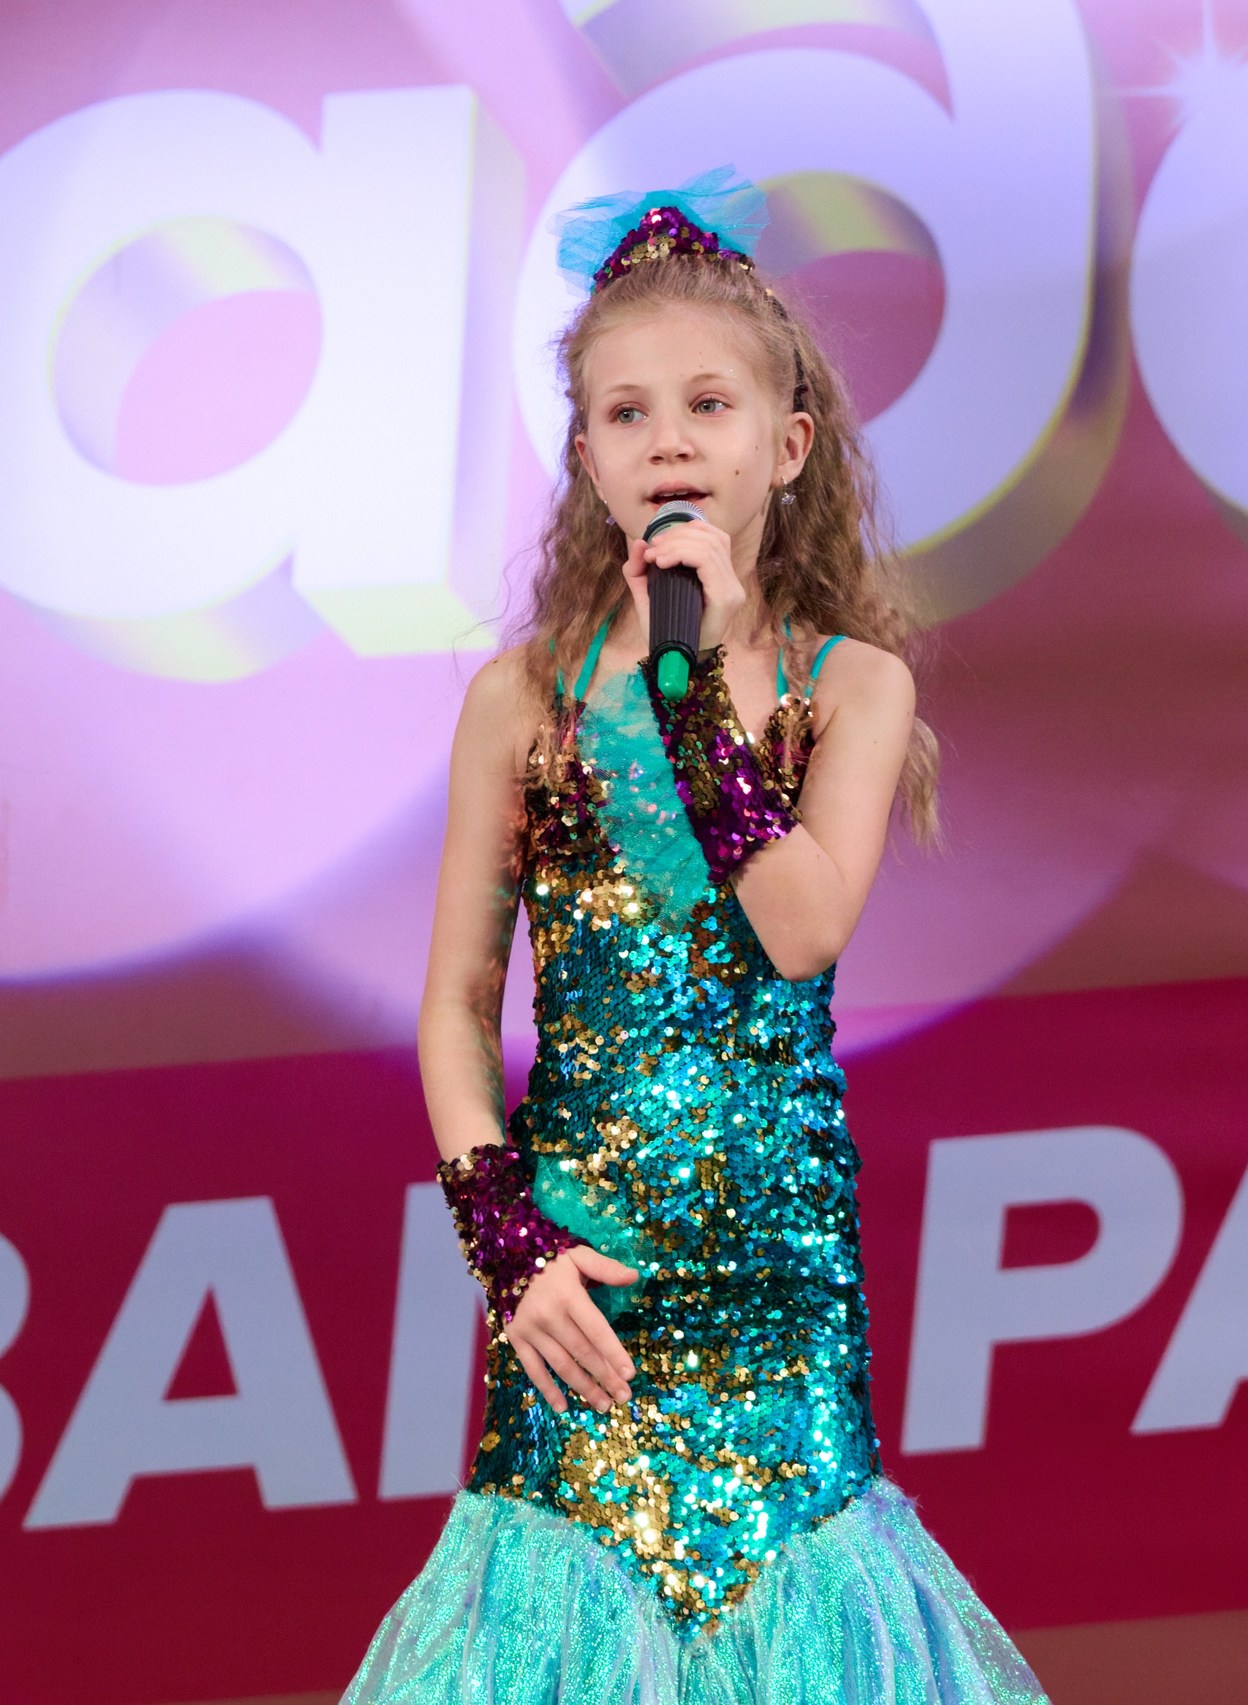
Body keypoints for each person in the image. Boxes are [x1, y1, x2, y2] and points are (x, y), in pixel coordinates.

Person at [342, 172, 1046, 1703]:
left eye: (708, 404)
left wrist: (687, 686)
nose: (668, 440)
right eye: (627, 411)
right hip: (580, 1289)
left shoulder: (851, 687)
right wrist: (507, 1242)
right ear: (585, 457)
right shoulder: (520, 701)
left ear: (786, 446)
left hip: (775, 1303)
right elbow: (458, 1005)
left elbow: (798, 927)